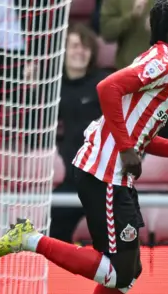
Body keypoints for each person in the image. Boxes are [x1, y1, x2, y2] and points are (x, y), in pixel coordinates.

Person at [0, 1, 168, 294]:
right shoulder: (161, 62)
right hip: (105, 173)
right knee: (118, 270)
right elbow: (106, 89)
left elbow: (137, 130)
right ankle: (30, 239)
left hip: (113, 175)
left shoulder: (164, 63)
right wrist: (129, 148)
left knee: (129, 271)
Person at [50, 24, 108, 242]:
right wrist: (31, 86)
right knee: (56, 228)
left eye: (85, 47)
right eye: (74, 46)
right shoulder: (55, 86)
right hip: (69, 174)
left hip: (101, 175)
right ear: (63, 51)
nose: (79, 52)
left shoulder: (103, 83)